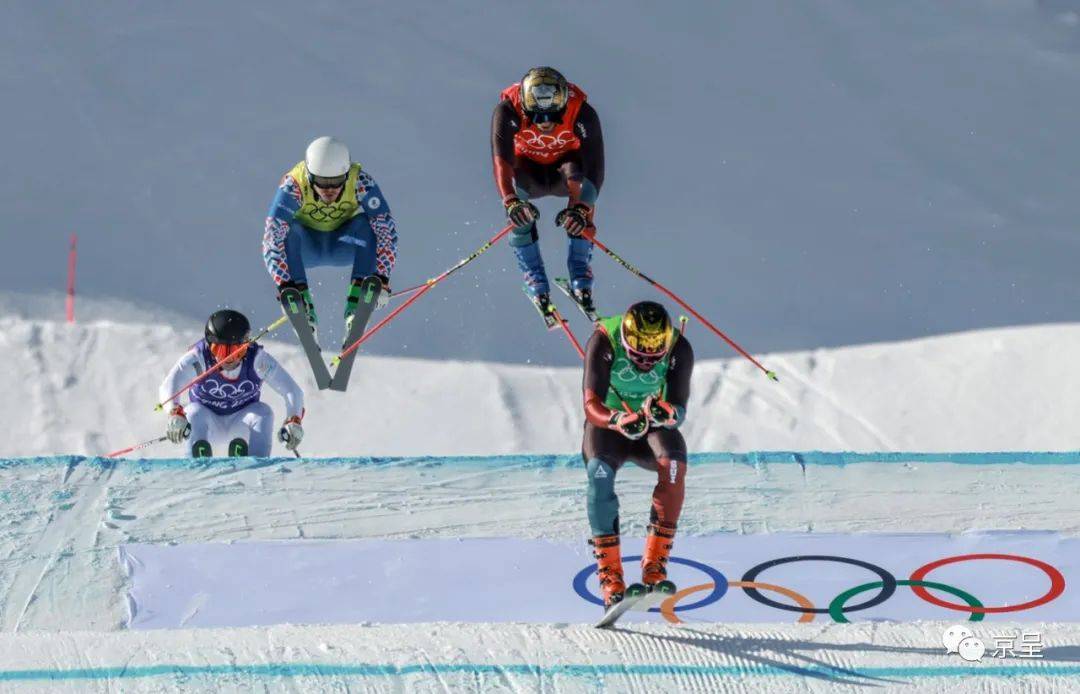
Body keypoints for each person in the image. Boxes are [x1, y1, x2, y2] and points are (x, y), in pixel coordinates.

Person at [581, 301, 693, 607]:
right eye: (639, 351)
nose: (647, 358)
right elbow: (591, 406)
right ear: (626, 339)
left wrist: (667, 412)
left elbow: (679, 409)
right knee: (599, 476)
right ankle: (610, 576)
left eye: (655, 351)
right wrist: (617, 419)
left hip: (650, 427)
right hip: (610, 426)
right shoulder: (604, 340)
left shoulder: (679, 348)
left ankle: (654, 567)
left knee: (673, 467)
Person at [491, 67, 605, 317]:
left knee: (579, 180)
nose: (545, 124)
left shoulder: (582, 112)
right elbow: (502, 163)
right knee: (518, 208)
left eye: (553, 116)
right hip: (528, 174)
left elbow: (596, 170)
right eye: (537, 117)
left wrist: (581, 209)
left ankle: (580, 273)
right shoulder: (508, 109)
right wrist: (511, 202)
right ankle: (534, 277)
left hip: (565, 172)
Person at [262, 136, 397, 336]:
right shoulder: (294, 185)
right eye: (322, 182)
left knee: (365, 225)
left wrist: (381, 277)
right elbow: (272, 236)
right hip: (305, 248)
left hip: (345, 244)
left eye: (336, 181)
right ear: (309, 175)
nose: (330, 189)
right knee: (291, 231)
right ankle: (303, 306)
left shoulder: (360, 182)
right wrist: (285, 284)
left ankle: (357, 306)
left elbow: (385, 229)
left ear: (346, 173)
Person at [160, 310, 306, 457]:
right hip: (207, 424)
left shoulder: (257, 360)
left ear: (246, 345)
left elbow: (291, 390)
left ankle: (258, 465)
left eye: (237, 350)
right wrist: (174, 412)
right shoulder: (199, 358)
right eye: (221, 350)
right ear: (210, 345)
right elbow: (170, 383)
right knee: (192, 412)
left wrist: (294, 419)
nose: (229, 358)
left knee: (264, 412)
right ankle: (195, 462)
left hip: (242, 423)